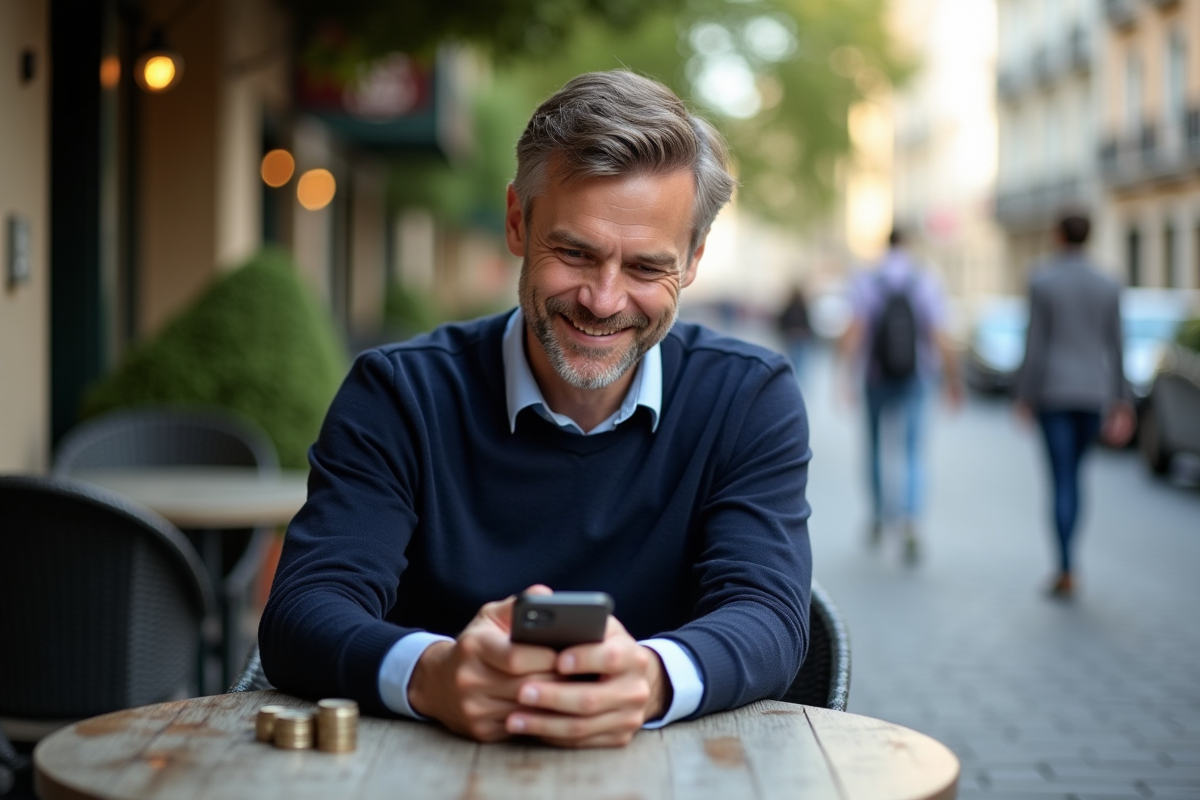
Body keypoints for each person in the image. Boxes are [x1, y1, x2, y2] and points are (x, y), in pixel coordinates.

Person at [259, 70, 813, 749]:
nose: (604, 300)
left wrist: (649, 680)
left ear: (693, 261)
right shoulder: (399, 394)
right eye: (575, 253)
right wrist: (432, 675)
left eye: (645, 268)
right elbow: (302, 611)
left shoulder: (748, 397)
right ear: (518, 222)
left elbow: (769, 614)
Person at [1014, 213, 1133, 599]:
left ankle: (1065, 565)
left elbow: (1035, 344)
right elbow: (1118, 347)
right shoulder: (1108, 282)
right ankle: (1070, 561)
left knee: (1060, 478)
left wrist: (1023, 396)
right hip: (1093, 393)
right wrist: (1122, 402)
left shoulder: (1042, 280)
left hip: (1053, 393)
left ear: (1058, 234)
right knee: (1076, 477)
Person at [838, 229, 961, 562]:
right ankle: (909, 521)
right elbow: (939, 333)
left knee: (876, 448)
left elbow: (855, 329)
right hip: (917, 376)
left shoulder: (867, 278)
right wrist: (953, 379)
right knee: (912, 450)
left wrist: (844, 377)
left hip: (874, 376)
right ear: (909, 244)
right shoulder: (925, 278)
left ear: (886, 244)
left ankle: (879, 516)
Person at [777, 286, 812, 382]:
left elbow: (782, 320)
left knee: (793, 356)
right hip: (799, 334)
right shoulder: (802, 306)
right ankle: (796, 375)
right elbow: (807, 321)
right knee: (799, 358)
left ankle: (792, 374)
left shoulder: (790, 306)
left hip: (792, 334)